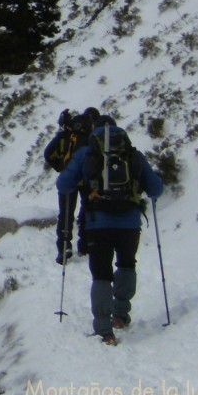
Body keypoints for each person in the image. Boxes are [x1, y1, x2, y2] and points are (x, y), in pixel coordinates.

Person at [57, 115, 163, 345]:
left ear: (94, 129)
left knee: (101, 275)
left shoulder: (86, 154)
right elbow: (156, 188)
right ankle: (121, 315)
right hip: (130, 224)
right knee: (127, 265)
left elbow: (63, 184)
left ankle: (105, 331)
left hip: (98, 223)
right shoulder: (133, 154)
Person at [44, 108, 96, 263]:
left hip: (68, 178)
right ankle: (85, 244)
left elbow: (48, 153)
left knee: (66, 213)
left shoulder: (65, 135)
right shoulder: (90, 136)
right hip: (86, 179)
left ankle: (64, 247)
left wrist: (60, 167)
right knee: (87, 209)